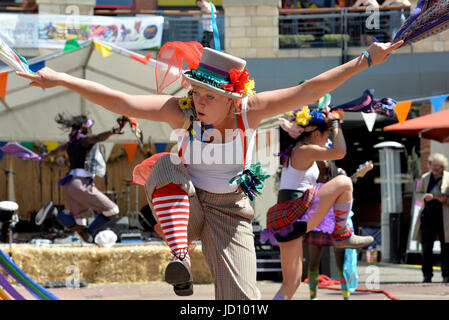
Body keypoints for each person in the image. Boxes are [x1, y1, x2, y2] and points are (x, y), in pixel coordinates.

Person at [16, 39, 401, 300]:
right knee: (166, 164)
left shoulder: (251, 111)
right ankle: (180, 259)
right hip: (187, 207)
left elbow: (308, 90)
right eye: (196, 92)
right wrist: (61, 79)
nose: (198, 102)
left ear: (232, 98)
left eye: (208, 96)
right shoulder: (180, 110)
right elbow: (122, 100)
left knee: (242, 302)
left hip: (231, 214)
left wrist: (365, 59)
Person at [261, 107, 374, 300]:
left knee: (292, 284)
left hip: (285, 217)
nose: (327, 139)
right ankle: (341, 234)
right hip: (296, 212)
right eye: (326, 135)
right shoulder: (305, 150)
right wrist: (335, 123)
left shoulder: (296, 150)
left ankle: (341, 234)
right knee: (345, 182)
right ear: (315, 133)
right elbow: (340, 152)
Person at [41, 114, 124, 243]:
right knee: (112, 210)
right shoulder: (85, 140)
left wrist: (47, 155)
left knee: (79, 225)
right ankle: (89, 231)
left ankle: (54, 213)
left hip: (69, 185)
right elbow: (97, 138)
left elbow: (57, 151)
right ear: (84, 128)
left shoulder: (71, 144)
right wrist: (113, 131)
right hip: (81, 183)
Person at [413, 153, 449, 283]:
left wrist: (445, 199)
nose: (435, 168)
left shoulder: (448, 177)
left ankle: (446, 275)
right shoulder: (424, 178)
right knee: (427, 247)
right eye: (433, 165)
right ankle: (427, 275)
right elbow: (417, 194)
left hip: (444, 218)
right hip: (427, 217)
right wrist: (424, 197)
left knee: (446, 247)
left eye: (438, 166)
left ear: (442, 166)